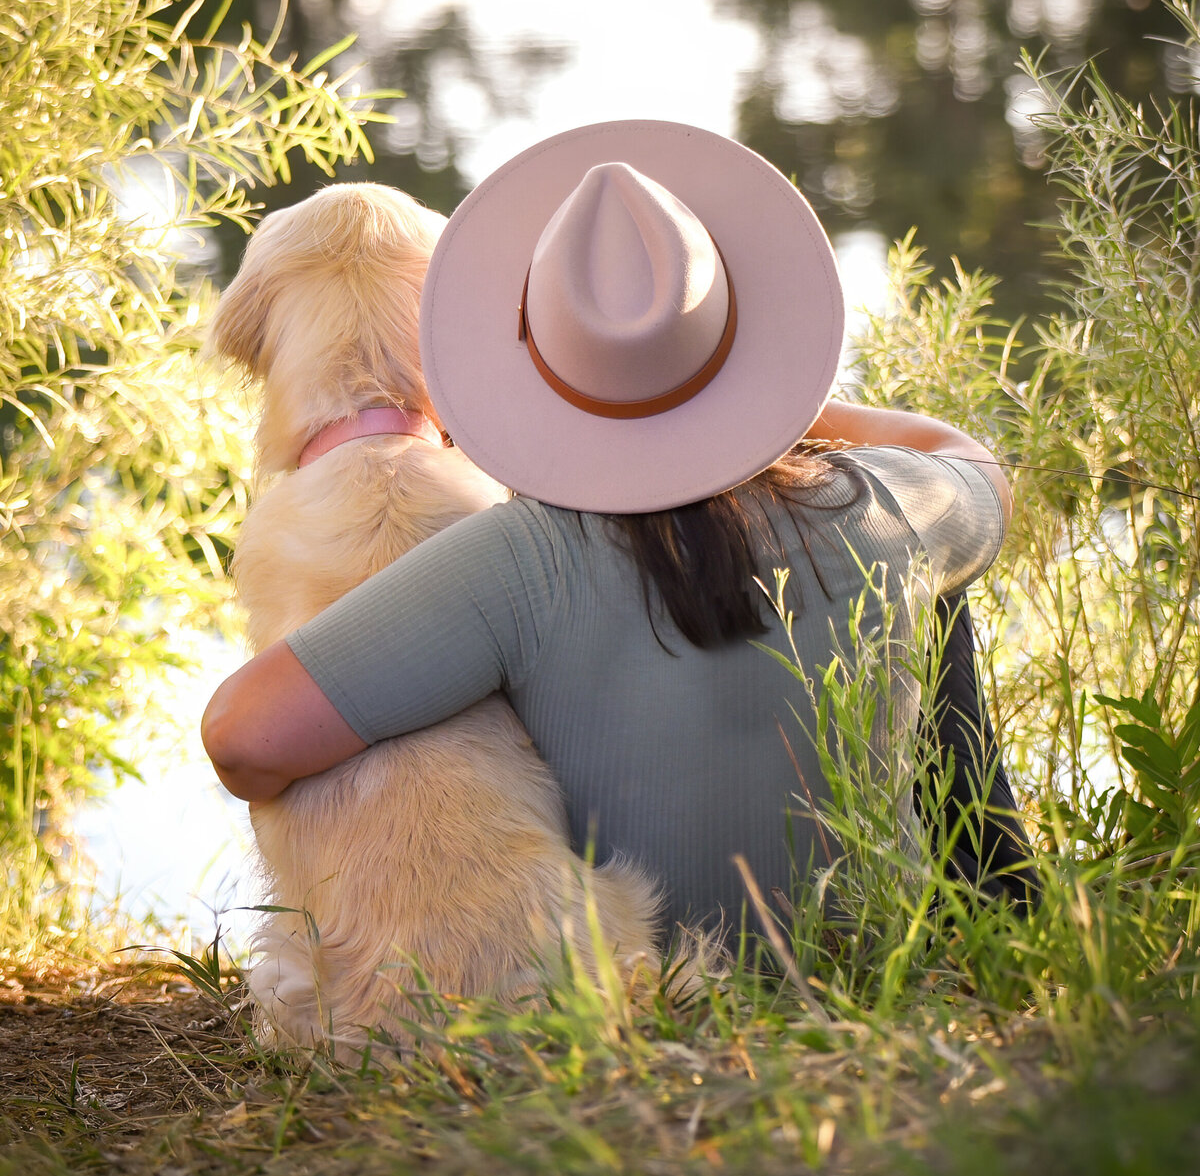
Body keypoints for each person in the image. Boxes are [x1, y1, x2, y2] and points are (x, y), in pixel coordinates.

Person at [202, 120, 1026, 941]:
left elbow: (243, 741)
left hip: (648, 982)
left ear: (542, 366)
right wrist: (778, 408)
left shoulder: (514, 556)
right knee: (934, 585)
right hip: (871, 975)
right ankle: (1001, 916)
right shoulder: (885, 502)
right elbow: (973, 464)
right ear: (745, 341)